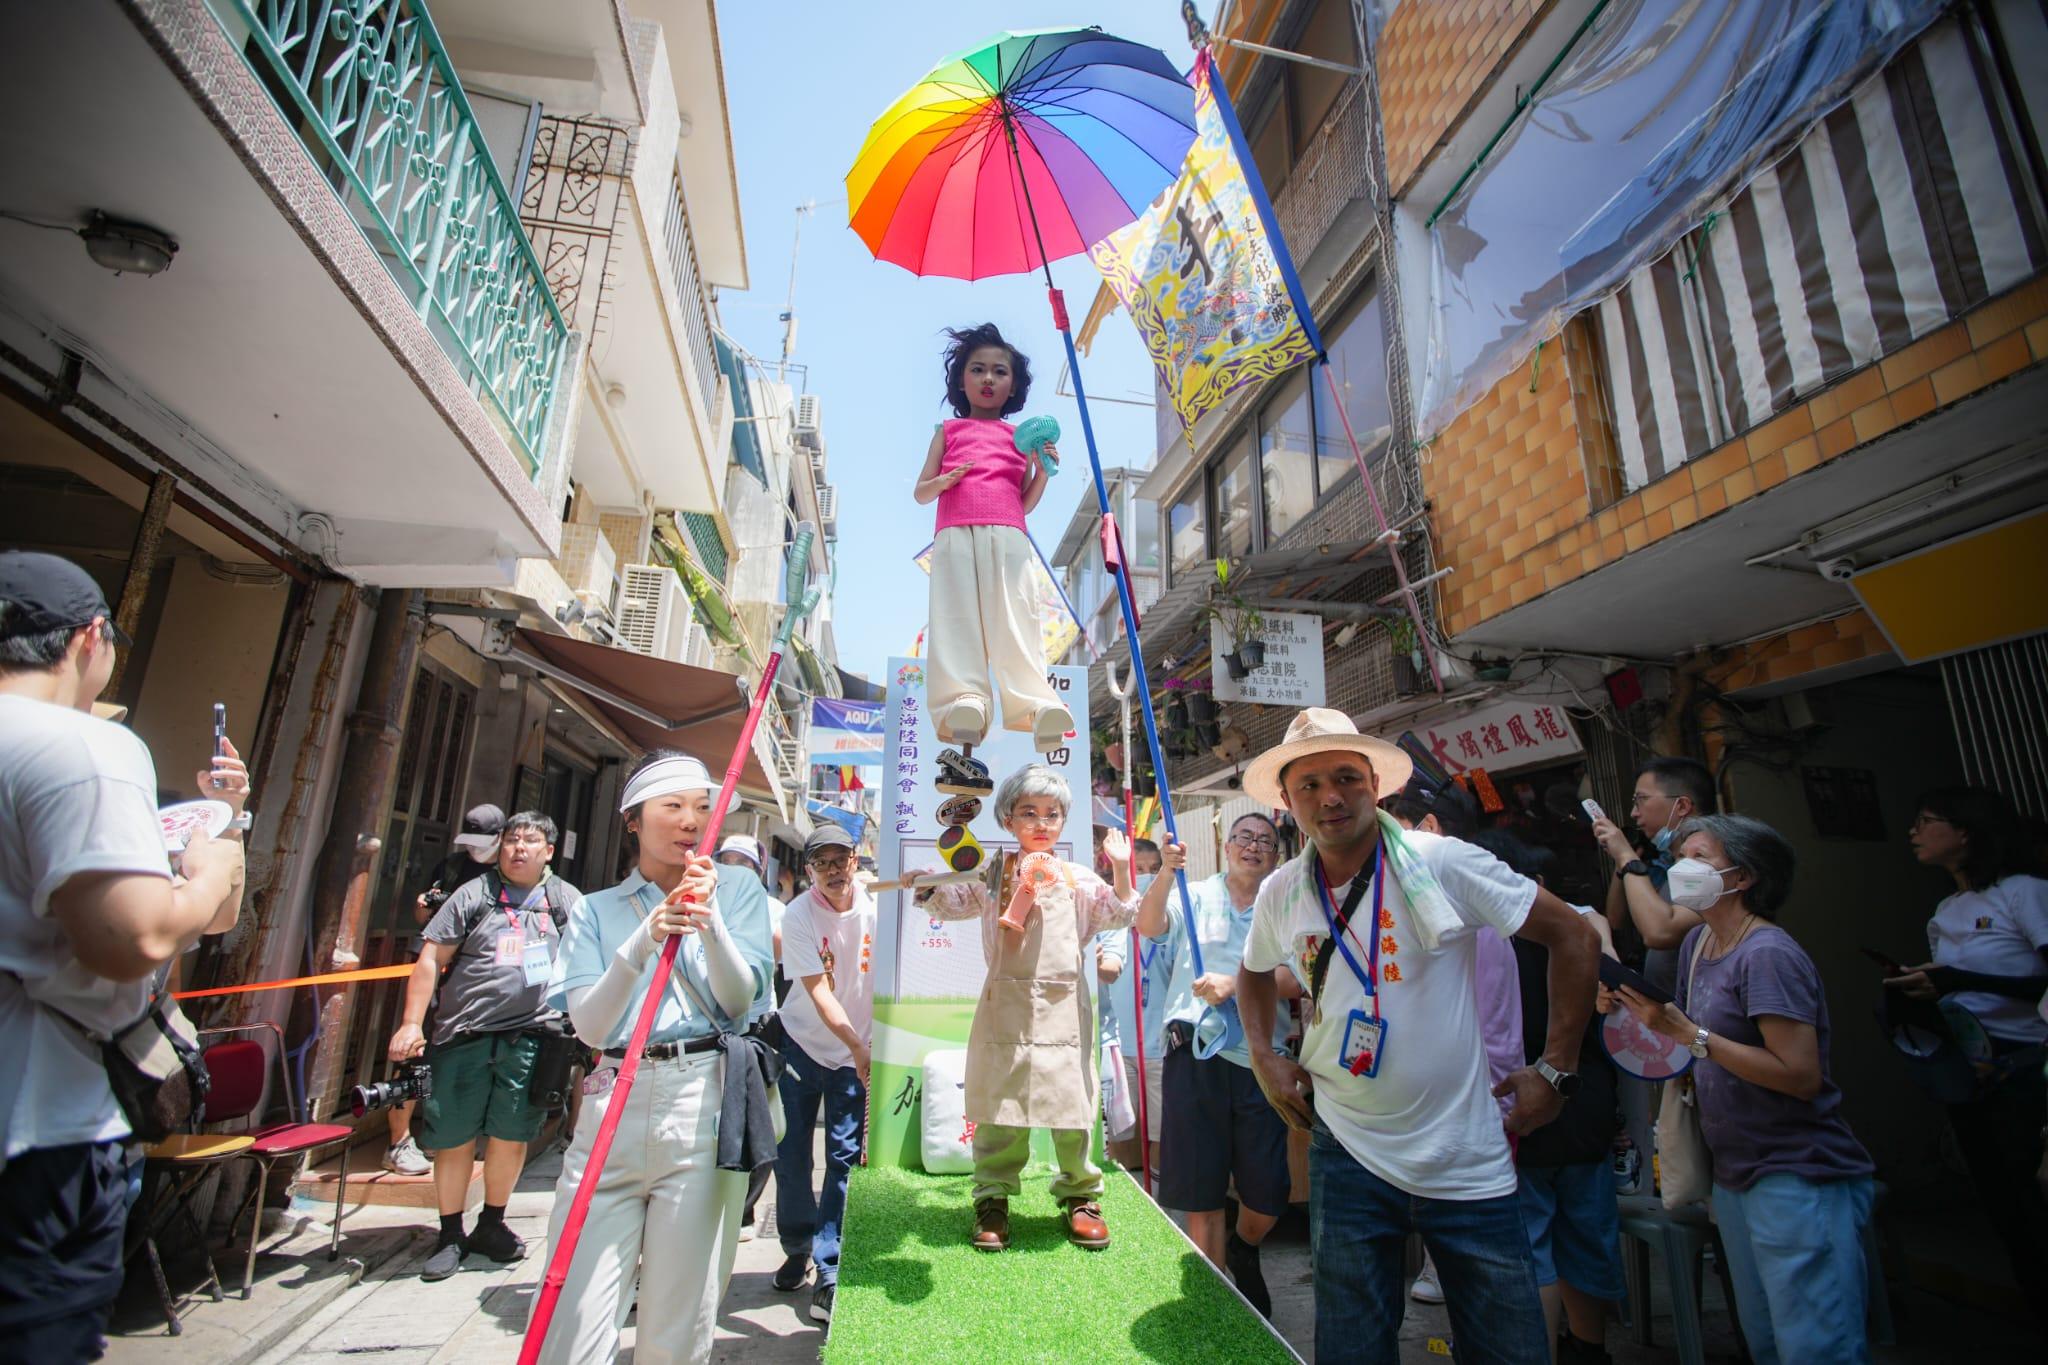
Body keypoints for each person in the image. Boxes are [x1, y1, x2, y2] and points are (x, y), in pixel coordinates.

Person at [1235, 708, 1600, 1365]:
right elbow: (1255, 971)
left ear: (1376, 785)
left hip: (1464, 1153)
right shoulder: (1282, 891)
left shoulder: (1443, 862)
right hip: (1344, 1148)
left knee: (1510, 1349)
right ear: (1287, 802)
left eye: (1346, 777)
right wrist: (1263, 1054)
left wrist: (1555, 1069)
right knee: (1352, 1349)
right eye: (1310, 784)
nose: (1331, 796)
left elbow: (1574, 935)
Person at [1, 550, 250, 1361]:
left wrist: (227, 818)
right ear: (90, 638)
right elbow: (134, 937)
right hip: (41, 1124)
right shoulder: (87, 748)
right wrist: (210, 869)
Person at [530, 749, 775, 1365]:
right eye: (673, 806)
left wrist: (709, 920)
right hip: (613, 1099)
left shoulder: (738, 889)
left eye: (701, 807)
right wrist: (643, 941)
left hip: (701, 1100)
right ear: (633, 820)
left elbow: (739, 1000)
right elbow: (591, 1026)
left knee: (678, 1318)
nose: (691, 820)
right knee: (573, 1313)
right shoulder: (595, 909)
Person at [1615, 814, 1875, 1365]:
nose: (1682, 869)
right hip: (1733, 1173)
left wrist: (1692, 1036)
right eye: (1680, 857)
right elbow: (1685, 1038)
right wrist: (1625, 1009)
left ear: (1744, 876)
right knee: (1766, 1340)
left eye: (1701, 858)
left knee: (1814, 1344)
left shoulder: (1768, 954)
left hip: (1795, 1171)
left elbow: (1799, 1075)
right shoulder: (1700, 943)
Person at [927, 764, 1136, 1251]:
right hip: (1006, 1005)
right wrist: (928, 885)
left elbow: (1122, 912)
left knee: (1072, 1105)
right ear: (1007, 819)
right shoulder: (991, 873)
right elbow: (951, 902)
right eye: (1028, 813)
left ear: (1063, 821)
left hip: (1065, 1007)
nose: (1041, 823)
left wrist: (1123, 867)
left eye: (1052, 813)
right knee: (1001, 1104)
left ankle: (1081, 1195)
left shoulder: (1078, 879)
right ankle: (993, 1198)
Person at [386, 811, 580, 1281]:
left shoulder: (564, 901)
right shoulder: (473, 895)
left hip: (532, 1038)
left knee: (512, 1135)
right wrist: (411, 1024)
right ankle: (450, 1232)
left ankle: (493, 1222)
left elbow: (587, 963)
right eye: (511, 840)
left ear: (549, 851)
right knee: (453, 1137)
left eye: (529, 841)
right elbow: (430, 959)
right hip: (463, 1034)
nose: (518, 849)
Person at [1886, 786, 2048, 1329]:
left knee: (2033, 1195)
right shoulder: (1947, 910)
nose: (1913, 832)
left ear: (1966, 831)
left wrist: (1960, 979)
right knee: (2005, 1206)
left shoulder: (2023, 893)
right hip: (1973, 1072)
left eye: (1926, 820)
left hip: (2029, 1068)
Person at [1138, 814, 1293, 1315]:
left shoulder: (1286, 904)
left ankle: (1244, 1246)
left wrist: (1238, 984)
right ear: (1227, 847)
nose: (1254, 846)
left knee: (1267, 1195)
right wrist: (1167, 871)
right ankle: (1217, 1305)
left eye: (1265, 841)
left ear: (1276, 855)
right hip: (1194, 1052)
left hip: (1260, 1059)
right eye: (1244, 837)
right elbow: (1149, 926)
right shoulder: (1196, 893)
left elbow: (1299, 976)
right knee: (1201, 1190)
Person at [913, 323, 1071, 797]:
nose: (987, 378)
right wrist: (944, 481)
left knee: (1015, 618)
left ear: (1014, 384)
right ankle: (964, 699)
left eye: (999, 372)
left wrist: (1042, 472)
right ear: (960, 380)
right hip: (954, 534)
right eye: (977, 369)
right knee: (955, 618)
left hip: (1008, 534)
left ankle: (1036, 703)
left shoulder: (1018, 438)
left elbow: (1023, 503)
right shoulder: (947, 431)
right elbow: (921, 492)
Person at [769, 824, 876, 1324]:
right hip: (804, 1043)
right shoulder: (797, 915)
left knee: (843, 1158)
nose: (834, 871)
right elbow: (817, 991)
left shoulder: (877, 902)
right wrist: (856, 1044)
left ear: (856, 859)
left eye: (841, 860)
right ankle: (797, 1246)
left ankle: (829, 1265)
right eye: (822, 863)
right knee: (791, 1155)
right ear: (809, 869)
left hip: (856, 1051)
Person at [384, 803, 506, 1177]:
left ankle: (450, 1136)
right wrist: (425, 907)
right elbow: (424, 921)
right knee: (413, 1055)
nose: (474, 849)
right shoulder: (451, 867)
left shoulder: (510, 874)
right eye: (469, 841)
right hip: (437, 974)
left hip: (479, 984)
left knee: (466, 1061)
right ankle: (398, 1142)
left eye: (481, 842)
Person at [1591, 756, 1717, 995]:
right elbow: (1616, 920)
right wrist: (1622, 860)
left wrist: (1627, 856)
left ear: (1682, 806)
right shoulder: (1668, 861)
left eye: (1641, 800)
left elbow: (1660, 932)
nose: (1633, 813)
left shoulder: (1707, 862)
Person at [717, 832, 786, 1242]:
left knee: (761, 1117)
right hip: (715, 1025)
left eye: (744, 863)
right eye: (727, 861)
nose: (735, 869)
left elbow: (780, 953)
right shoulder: (705, 899)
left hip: (760, 1021)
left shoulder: (772, 907)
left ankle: (745, 1208)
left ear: (759, 871)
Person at [1094, 836, 1166, 1175]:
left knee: (1162, 1140)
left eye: (1155, 869)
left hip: (1161, 1047)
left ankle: (1161, 1201)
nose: (1147, 876)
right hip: (1118, 1046)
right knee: (1121, 1141)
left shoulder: (1172, 915)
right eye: (1140, 869)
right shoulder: (1106, 914)